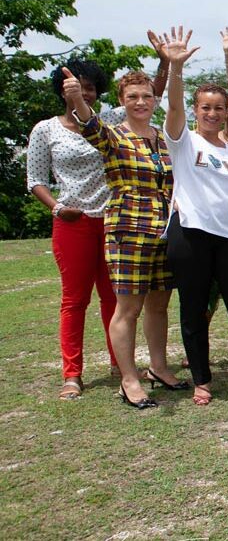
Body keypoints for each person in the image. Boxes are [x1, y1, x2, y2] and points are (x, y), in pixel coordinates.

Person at [156, 27, 228, 406]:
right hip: (190, 234)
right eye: (205, 107)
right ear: (196, 109)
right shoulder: (183, 140)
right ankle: (201, 381)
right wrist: (175, 69)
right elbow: (172, 108)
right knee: (193, 308)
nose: (211, 113)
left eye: (219, 108)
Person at [72, 65, 184, 410]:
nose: (141, 102)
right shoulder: (113, 135)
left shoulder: (163, 138)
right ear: (122, 101)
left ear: (154, 100)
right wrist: (76, 95)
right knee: (129, 308)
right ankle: (129, 379)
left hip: (165, 230)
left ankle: (159, 367)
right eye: (133, 97)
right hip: (128, 231)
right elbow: (88, 124)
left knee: (160, 305)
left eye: (146, 96)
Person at [28, 60, 118, 399]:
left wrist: (167, 63)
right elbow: (35, 179)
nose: (84, 92)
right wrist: (57, 208)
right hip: (72, 224)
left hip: (110, 221)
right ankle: (72, 374)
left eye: (90, 87)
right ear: (62, 90)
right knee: (75, 300)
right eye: (77, 86)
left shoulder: (108, 122)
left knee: (114, 298)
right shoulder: (46, 130)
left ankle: (118, 363)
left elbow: (147, 96)